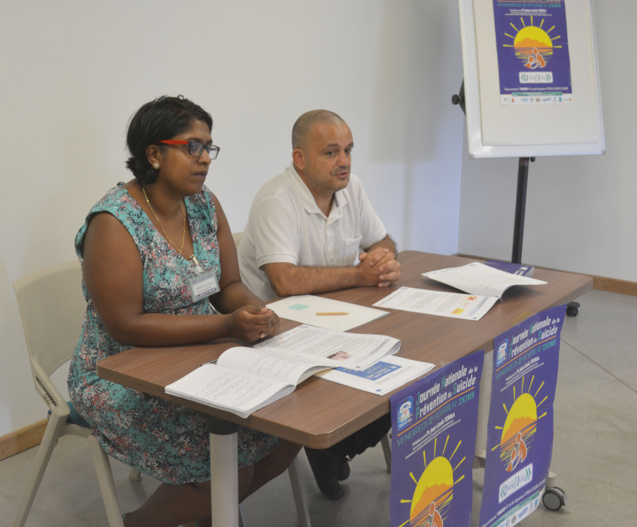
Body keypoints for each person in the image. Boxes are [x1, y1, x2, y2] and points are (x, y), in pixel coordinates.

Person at [67, 95, 300, 527]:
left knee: (287, 435)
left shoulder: (204, 205)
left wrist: (255, 311)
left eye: (208, 147)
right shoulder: (115, 222)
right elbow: (125, 325)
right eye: (192, 147)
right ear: (154, 154)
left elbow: (228, 285)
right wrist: (228, 325)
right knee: (225, 466)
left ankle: (216, 511)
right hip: (119, 372)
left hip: (198, 354)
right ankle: (140, 523)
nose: (204, 159)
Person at [238, 109, 401, 500]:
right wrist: (360, 276)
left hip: (334, 319)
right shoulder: (277, 199)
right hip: (273, 333)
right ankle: (324, 445)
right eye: (330, 152)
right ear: (300, 159)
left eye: (347, 150)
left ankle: (330, 448)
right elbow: (285, 280)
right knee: (365, 383)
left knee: (400, 376)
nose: (343, 161)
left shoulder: (351, 187)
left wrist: (382, 259)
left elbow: (383, 240)